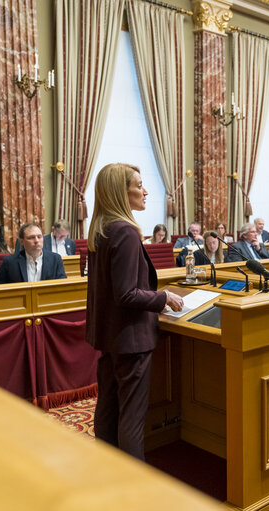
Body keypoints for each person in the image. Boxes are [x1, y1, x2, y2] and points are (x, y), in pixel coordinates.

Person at [85, 163, 183, 460]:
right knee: (131, 418)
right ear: (120, 191)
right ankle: (135, 489)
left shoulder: (101, 229)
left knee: (107, 410)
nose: (145, 191)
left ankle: (107, 470)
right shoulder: (126, 231)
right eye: (139, 185)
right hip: (131, 339)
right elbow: (126, 293)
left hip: (109, 336)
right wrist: (162, 297)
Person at [0, 223, 67, 284]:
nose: (37, 240)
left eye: (39, 237)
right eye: (31, 237)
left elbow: (63, 285)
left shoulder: (55, 259)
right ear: (22, 241)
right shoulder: (10, 262)